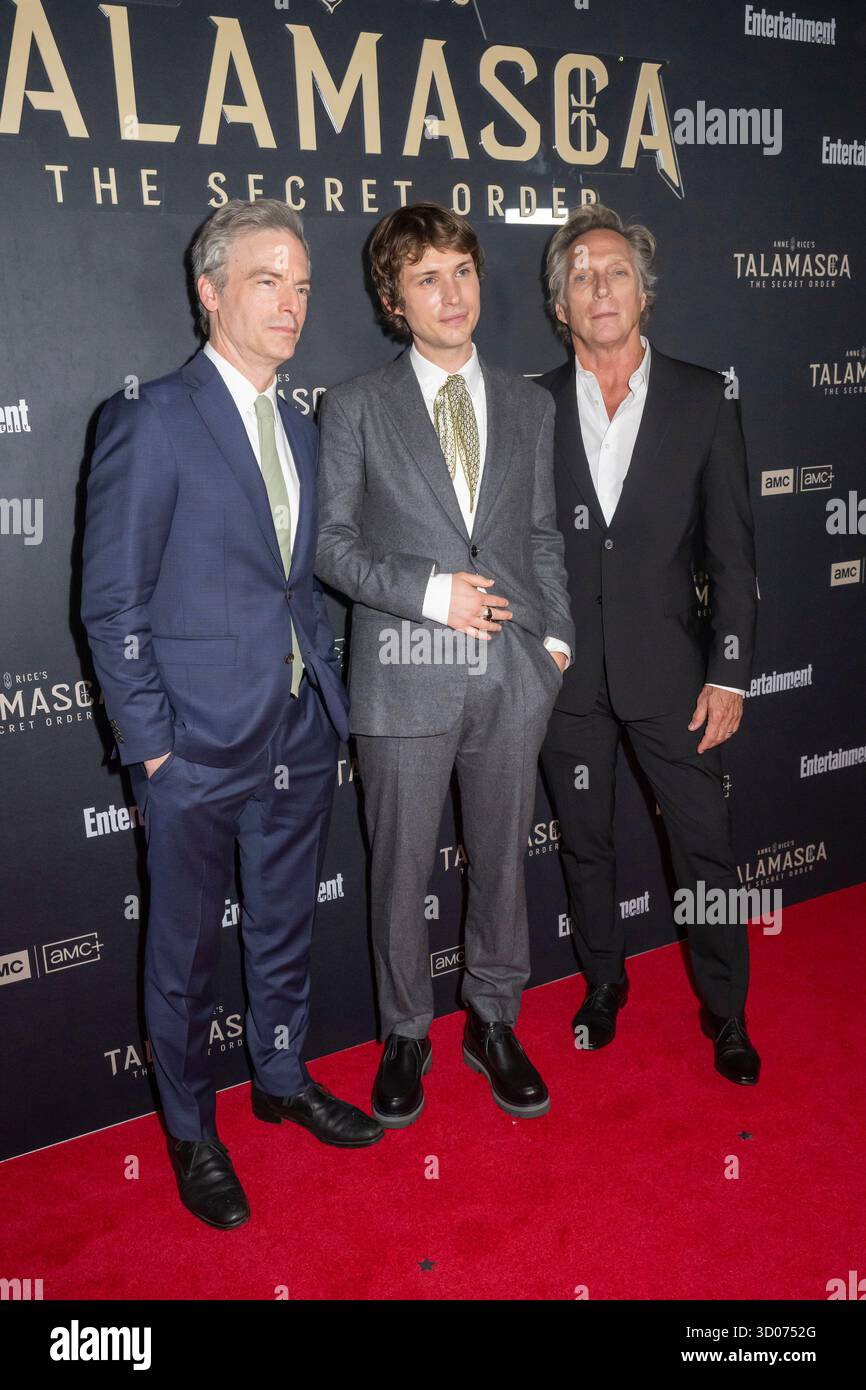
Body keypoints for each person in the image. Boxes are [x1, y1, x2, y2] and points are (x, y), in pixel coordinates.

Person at [81, 199, 383, 1231]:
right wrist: (155, 747)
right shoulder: (149, 418)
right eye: (267, 280)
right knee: (182, 954)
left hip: (294, 734)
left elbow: (290, 584)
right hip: (192, 754)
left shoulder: (300, 423)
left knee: (285, 927)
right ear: (209, 290)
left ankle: (282, 1076)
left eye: (301, 284)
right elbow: (111, 604)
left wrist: (320, 695)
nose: (292, 302)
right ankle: (190, 1131)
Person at [316, 203, 575, 1127]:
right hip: (403, 674)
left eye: (461, 271)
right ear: (394, 300)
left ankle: (494, 1021)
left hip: (513, 677)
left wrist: (553, 648)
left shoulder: (530, 403)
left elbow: (542, 536)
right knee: (399, 871)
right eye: (426, 277)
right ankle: (405, 1033)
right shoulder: (354, 406)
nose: (450, 292)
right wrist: (432, 595)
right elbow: (333, 550)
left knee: (503, 863)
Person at [537, 204, 760, 1085]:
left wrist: (731, 673)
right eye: (582, 274)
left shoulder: (704, 398)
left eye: (616, 270)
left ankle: (728, 1012)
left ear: (644, 291)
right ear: (560, 304)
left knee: (705, 844)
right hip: (567, 680)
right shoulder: (532, 406)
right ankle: (601, 986)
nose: (600, 286)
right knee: (585, 842)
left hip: (675, 673)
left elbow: (734, 553)